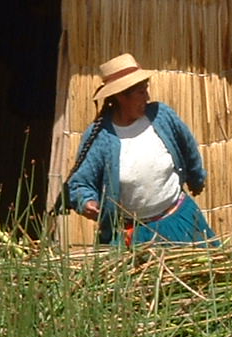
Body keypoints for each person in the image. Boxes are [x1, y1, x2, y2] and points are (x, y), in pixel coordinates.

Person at [68, 53, 216, 246]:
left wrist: (197, 178)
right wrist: (87, 202)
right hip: (134, 236)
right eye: (140, 92)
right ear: (121, 96)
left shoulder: (162, 116)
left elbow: (189, 150)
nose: (147, 97)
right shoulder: (100, 136)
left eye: (146, 89)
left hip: (180, 223)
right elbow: (80, 184)